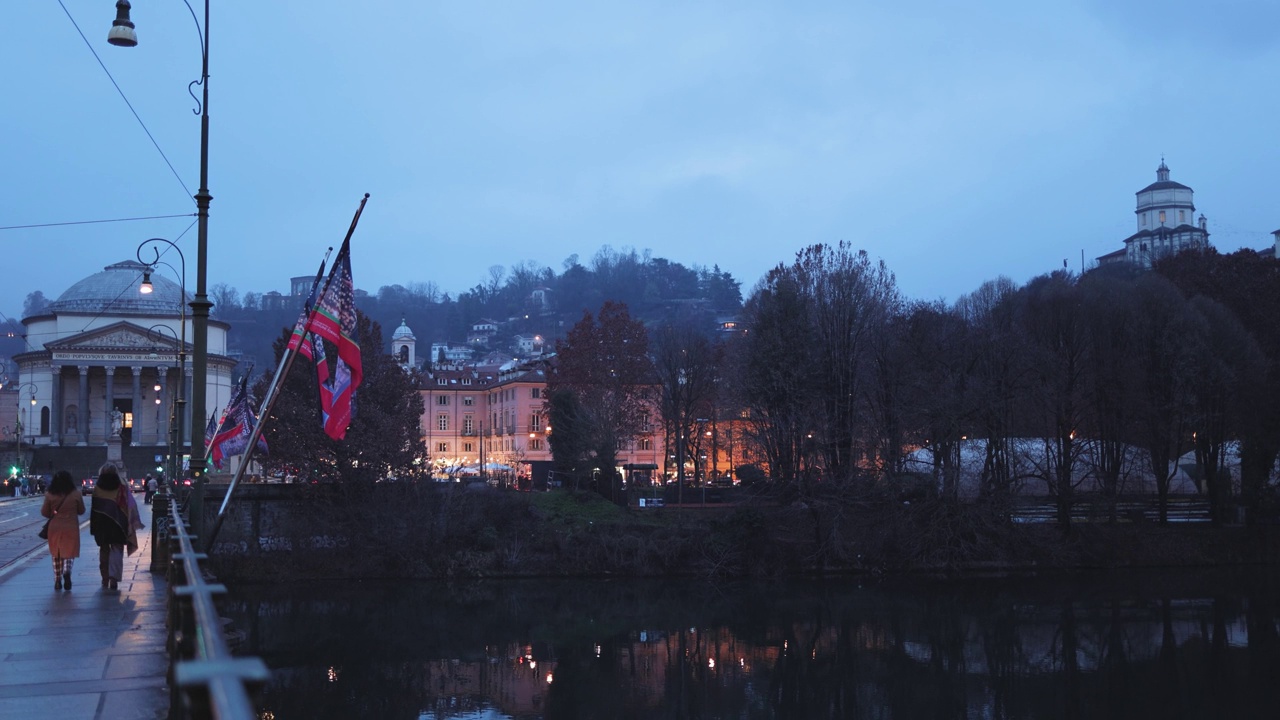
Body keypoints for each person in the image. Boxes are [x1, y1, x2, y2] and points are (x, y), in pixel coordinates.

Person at [89, 463, 142, 591]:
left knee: (104, 550)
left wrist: (93, 527)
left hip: (102, 524)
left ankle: (105, 578)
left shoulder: (97, 488)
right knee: (117, 550)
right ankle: (114, 578)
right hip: (119, 522)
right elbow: (130, 506)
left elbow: (94, 509)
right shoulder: (122, 487)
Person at [41, 470, 85, 592]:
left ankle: (57, 580)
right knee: (69, 551)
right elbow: (81, 510)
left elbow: (44, 512)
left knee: (56, 553)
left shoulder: (50, 494)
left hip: (55, 527)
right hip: (71, 526)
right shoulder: (76, 494)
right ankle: (67, 571)